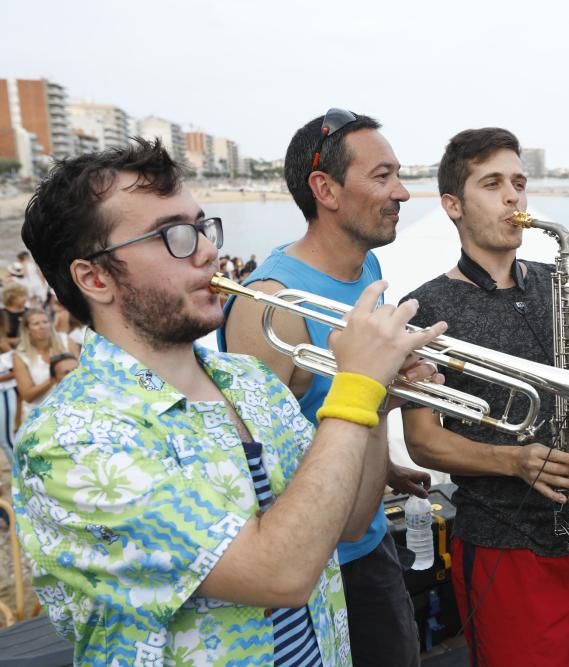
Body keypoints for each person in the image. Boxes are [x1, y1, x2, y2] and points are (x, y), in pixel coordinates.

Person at [13, 138, 444, 665]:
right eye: (173, 235)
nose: (207, 251)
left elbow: (349, 522)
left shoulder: (249, 382)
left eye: (202, 227)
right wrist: (355, 389)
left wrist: (376, 404)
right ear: (95, 277)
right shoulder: (74, 437)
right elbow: (278, 573)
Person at [401, 127, 569, 666]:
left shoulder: (554, 279)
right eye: (492, 184)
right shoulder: (423, 308)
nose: (514, 196)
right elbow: (423, 443)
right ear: (453, 205)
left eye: (518, 182)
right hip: (507, 541)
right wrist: (513, 460)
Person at [222, 109, 429, 667]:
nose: (403, 192)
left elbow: (328, 413)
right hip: (317, 568)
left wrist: (381, 465)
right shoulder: (270, 307)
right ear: (325, 189)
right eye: (383, 176)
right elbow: (260, 476)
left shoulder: (366, 269)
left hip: (368, 538)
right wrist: (383, 396)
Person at [11, 308, 78, 413]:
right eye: (36, 324)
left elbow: (82, 373)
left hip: (70, 408)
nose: (42, 326)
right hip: (39, 413)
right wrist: (53, 379)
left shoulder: (66, 341)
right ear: (27, 329)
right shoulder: (20, 356)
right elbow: (27, 396)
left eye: (45, 322)